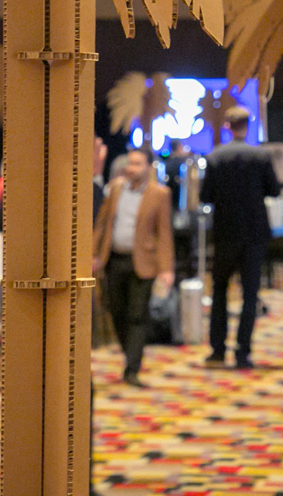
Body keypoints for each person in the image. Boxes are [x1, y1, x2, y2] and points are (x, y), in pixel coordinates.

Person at [199, 106, 280, 369]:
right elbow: (274, 190)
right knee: (249, 294)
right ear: (248, 125)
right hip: (254, 233)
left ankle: (217, 350)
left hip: (224, 233)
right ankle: (243, 352)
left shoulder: (214, 157)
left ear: (227, 125)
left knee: (220, 291)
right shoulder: (260, 156)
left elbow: (205, 196)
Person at [92, 148, 174, 387]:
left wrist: (166, 268)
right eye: (130, 163)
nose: (132, 168)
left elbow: (164, 232)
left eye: (138, 164)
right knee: (117, 310)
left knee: (137, 315)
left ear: (148, 167)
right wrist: (93, 253)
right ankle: (130, 354)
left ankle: (132, 368)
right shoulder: (116, 189)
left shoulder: (159, 194)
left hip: (143, 263)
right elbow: (102, 223)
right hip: (115, 259)